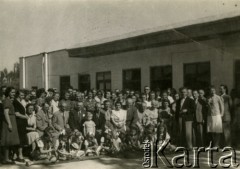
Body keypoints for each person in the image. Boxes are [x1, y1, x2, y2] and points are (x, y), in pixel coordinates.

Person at [1, 87, 20, 164]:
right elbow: (6, 113)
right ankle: (6, 159)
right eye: (12, 92)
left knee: (9, 141)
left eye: (14, 92)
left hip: (11, 120)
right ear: (8, 92)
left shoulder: (9, 101)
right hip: (9, 121)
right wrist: (9, 123)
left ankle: (7, 158)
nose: (13, 94)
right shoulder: (7, 101)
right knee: (7, 140)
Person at [13, 90, 28, 162]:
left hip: (22, 123)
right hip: (19, 123)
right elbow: (17, 114)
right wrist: (25, 117)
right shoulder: (15, 102)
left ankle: (17, 155)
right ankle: (20, 155)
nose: (23, 96)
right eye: (21, 95)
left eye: (23, 95)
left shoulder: (20, 102)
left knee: (21, 139)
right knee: (20, 140)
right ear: (18, 95)